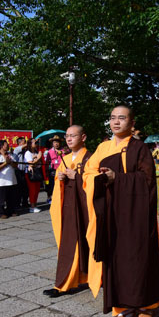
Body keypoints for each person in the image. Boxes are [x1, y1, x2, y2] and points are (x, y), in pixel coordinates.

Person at [83, 106, 159, 317]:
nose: (116, 122)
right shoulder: (102, 147)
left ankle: (146, 304)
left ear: (132, 122)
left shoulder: (140, 149)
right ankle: (120, 308)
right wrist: (98, 178)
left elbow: (147, 181)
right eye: (112, 118)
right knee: (115, 259)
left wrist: (117, 177)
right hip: (111, 212)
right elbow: (88, 173)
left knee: (138, 258)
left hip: (136, 214)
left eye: (121, 118)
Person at [43, 125, 92, 298]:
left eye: (73, 136)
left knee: (90, 244)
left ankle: (91, 277)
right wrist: (60, 178)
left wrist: (77, 177)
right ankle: (64, 284)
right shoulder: (66, 158)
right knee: (69, 245)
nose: (69, 139)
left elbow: (96, 181)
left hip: (87, 208)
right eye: (67, 136)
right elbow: (58, 178)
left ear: (83, 137)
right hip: (70, 207)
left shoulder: (91, 158)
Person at [0, 140, 18, 219]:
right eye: (6, 145)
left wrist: (10, 162)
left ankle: (11, 211)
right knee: (1, 199)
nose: (8, 146)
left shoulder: (11, 155)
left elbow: (16, 165)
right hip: (2, 181)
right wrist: (5, 163)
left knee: (11, 198)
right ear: (1, 146)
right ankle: (1, 213)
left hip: (12, 180)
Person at [45, 135, 65, 204]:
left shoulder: (63, 151)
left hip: (61, 171)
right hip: (52, 171)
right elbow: (47, 162)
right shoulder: (49, 152)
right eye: (55, 142)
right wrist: (46, 171)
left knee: (61, 185)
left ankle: (60, 198)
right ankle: (52, 198)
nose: (56, 144)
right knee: (52, 186)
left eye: (57, 142)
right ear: (52, 143)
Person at [24, 138, 42, 213]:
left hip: (37, 172)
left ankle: (35, 204)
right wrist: (38, 158)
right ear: (30, 144)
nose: (36, 144)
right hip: (30, 173)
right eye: (35, 142)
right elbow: (30, 163)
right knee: (32, 190)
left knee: (37, 189)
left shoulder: (36, 152)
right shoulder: (28, 153)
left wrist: (38, 158)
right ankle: (32, 206)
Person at [13, 137, 29, 208]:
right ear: (20, 143)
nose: (25, 143)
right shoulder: (16, 149)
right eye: (24, 141)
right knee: (18, 189)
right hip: (18, 171)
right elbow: (26, 145)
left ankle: (25, 202)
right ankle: (17, 204)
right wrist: (31, 142)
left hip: (24, 172)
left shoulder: (25, 150)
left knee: (25, 188)